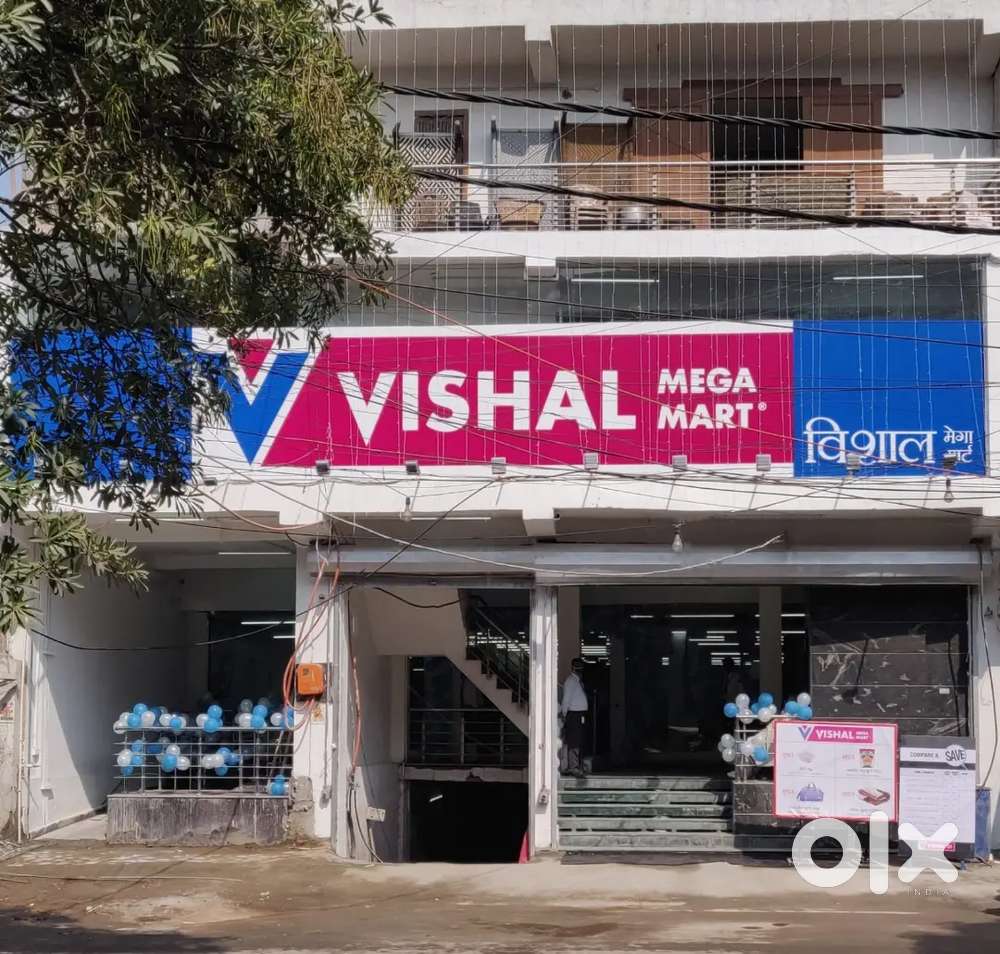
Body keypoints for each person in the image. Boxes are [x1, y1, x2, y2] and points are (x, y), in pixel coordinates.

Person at [560, 658, 588, 778]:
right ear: (573, 668)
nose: (580, 669)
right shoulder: (570, 681)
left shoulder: (577, 681)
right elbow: (566, 700)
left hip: (579, 715)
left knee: (578, 740)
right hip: (573, 715)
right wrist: (564, 714)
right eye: (578, 666)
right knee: (574, 741)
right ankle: (573, 767)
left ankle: (577, 766)